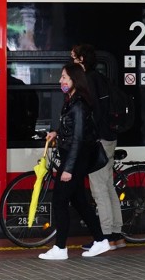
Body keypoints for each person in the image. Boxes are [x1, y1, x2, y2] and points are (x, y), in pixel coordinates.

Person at [40, 62, 110, 260]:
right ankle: (100, 240)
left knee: (59, 200)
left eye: (64, 77)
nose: (60, 80)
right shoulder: (71, 100)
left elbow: (78, 139)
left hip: (75, 159)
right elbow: (71, 130)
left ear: (74, 80)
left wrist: (68, 169)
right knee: (79, 202)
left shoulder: (78, 105)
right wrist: (56, 133)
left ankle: (60, 248)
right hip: (73, 156)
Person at [72, 44, 125, 251]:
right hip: (109, 137)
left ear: (81, 60)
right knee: (108, 185)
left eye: (73, 58)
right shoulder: (100, 78)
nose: (71, 62)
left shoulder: (89, 80)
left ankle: (105, 238)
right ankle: (117, 235)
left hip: (100, 140)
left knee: (98, 188)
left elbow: (92, 113)